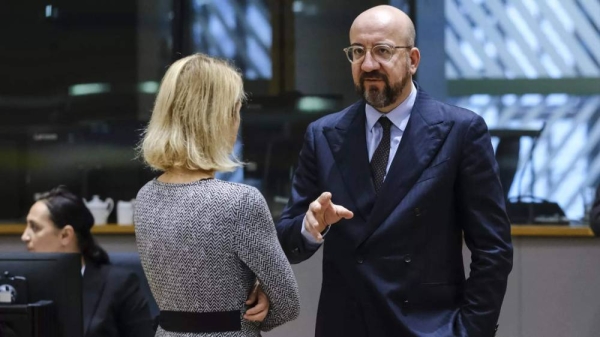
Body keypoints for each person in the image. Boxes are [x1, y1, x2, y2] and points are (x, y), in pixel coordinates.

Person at [276, 5, 513, 337]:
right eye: (357, 51)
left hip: (429, 327)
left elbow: (493, 249)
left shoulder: (460, 131)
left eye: (382, 51)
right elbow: (287, 240)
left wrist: (471, 330)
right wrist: (308, 227)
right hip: (347, 326)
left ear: (413, 60)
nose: (368, 63)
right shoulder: (324, 134)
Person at [135, 53, 300, 336]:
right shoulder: (240, 203)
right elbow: (287, 303)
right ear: (218, 119)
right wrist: (255, 310)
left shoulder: (145, 197)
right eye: (236, 110)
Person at [21, 186, 155, 337]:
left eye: (35, 227)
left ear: (65, 235)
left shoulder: (120, 286)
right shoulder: (24, 286)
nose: (25, 236)